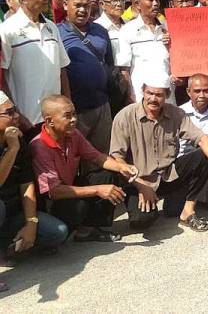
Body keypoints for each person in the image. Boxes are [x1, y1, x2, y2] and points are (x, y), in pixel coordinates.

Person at [110, 75, 208, 231]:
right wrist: (141, 186)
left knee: (204, 154)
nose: (153, 99)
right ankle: (158, 204)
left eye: (159, 95)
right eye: (149, 93)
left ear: (167, 95)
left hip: (168, 175)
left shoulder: (176, 113)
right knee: (141, 222)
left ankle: (188, 210)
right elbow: (117, 160)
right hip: (138, 181)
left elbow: (202, 139)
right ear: (143, 91)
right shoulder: (125, 116)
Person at [31, 95, 138, 242]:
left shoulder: (73, 134)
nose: (74, 119)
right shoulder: (39, 146)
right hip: (52, 202)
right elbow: (54, 192)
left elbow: (98, 157)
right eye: (67, 116)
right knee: (79, 204)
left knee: (107, 174)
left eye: (74, 114)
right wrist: (98, 190)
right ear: (49, 121)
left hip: (68, 188)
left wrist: (122, 167)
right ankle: (59, 233)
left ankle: (87, 230)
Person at [0, 91, 68, 264]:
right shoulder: (14, 143)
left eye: (15, 110)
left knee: (57, 232)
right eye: (9, 113)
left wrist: (31, 223)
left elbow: (26, 184)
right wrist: (12, 150)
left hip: (13, 214)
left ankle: (11, 245)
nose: (16, 116)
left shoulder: (17, 139)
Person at [0, 0, 71, 126]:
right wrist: (16, 114)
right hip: (27, 119)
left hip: (56, 118)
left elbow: (62, 69)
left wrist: (68, 103)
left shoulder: (51, 27)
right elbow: (2, 77)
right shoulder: (7, 30)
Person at [58, 0, 113, 158]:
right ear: (66, 5)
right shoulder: (57, 32)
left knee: (102, 155)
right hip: (76, 109)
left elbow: (109, 62)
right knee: (74, 158)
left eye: (86, 5)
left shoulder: (101, 31)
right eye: (78, 5)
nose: (83, 10)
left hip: (102, 105)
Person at [116, 0, 174, 104]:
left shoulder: (168, 27)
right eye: (150, 0)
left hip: (167, 96)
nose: (155, 4)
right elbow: (124, 70)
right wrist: (130, 96)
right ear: (137, 4)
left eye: (157, 0)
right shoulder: (127, 31)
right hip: (140, 97)